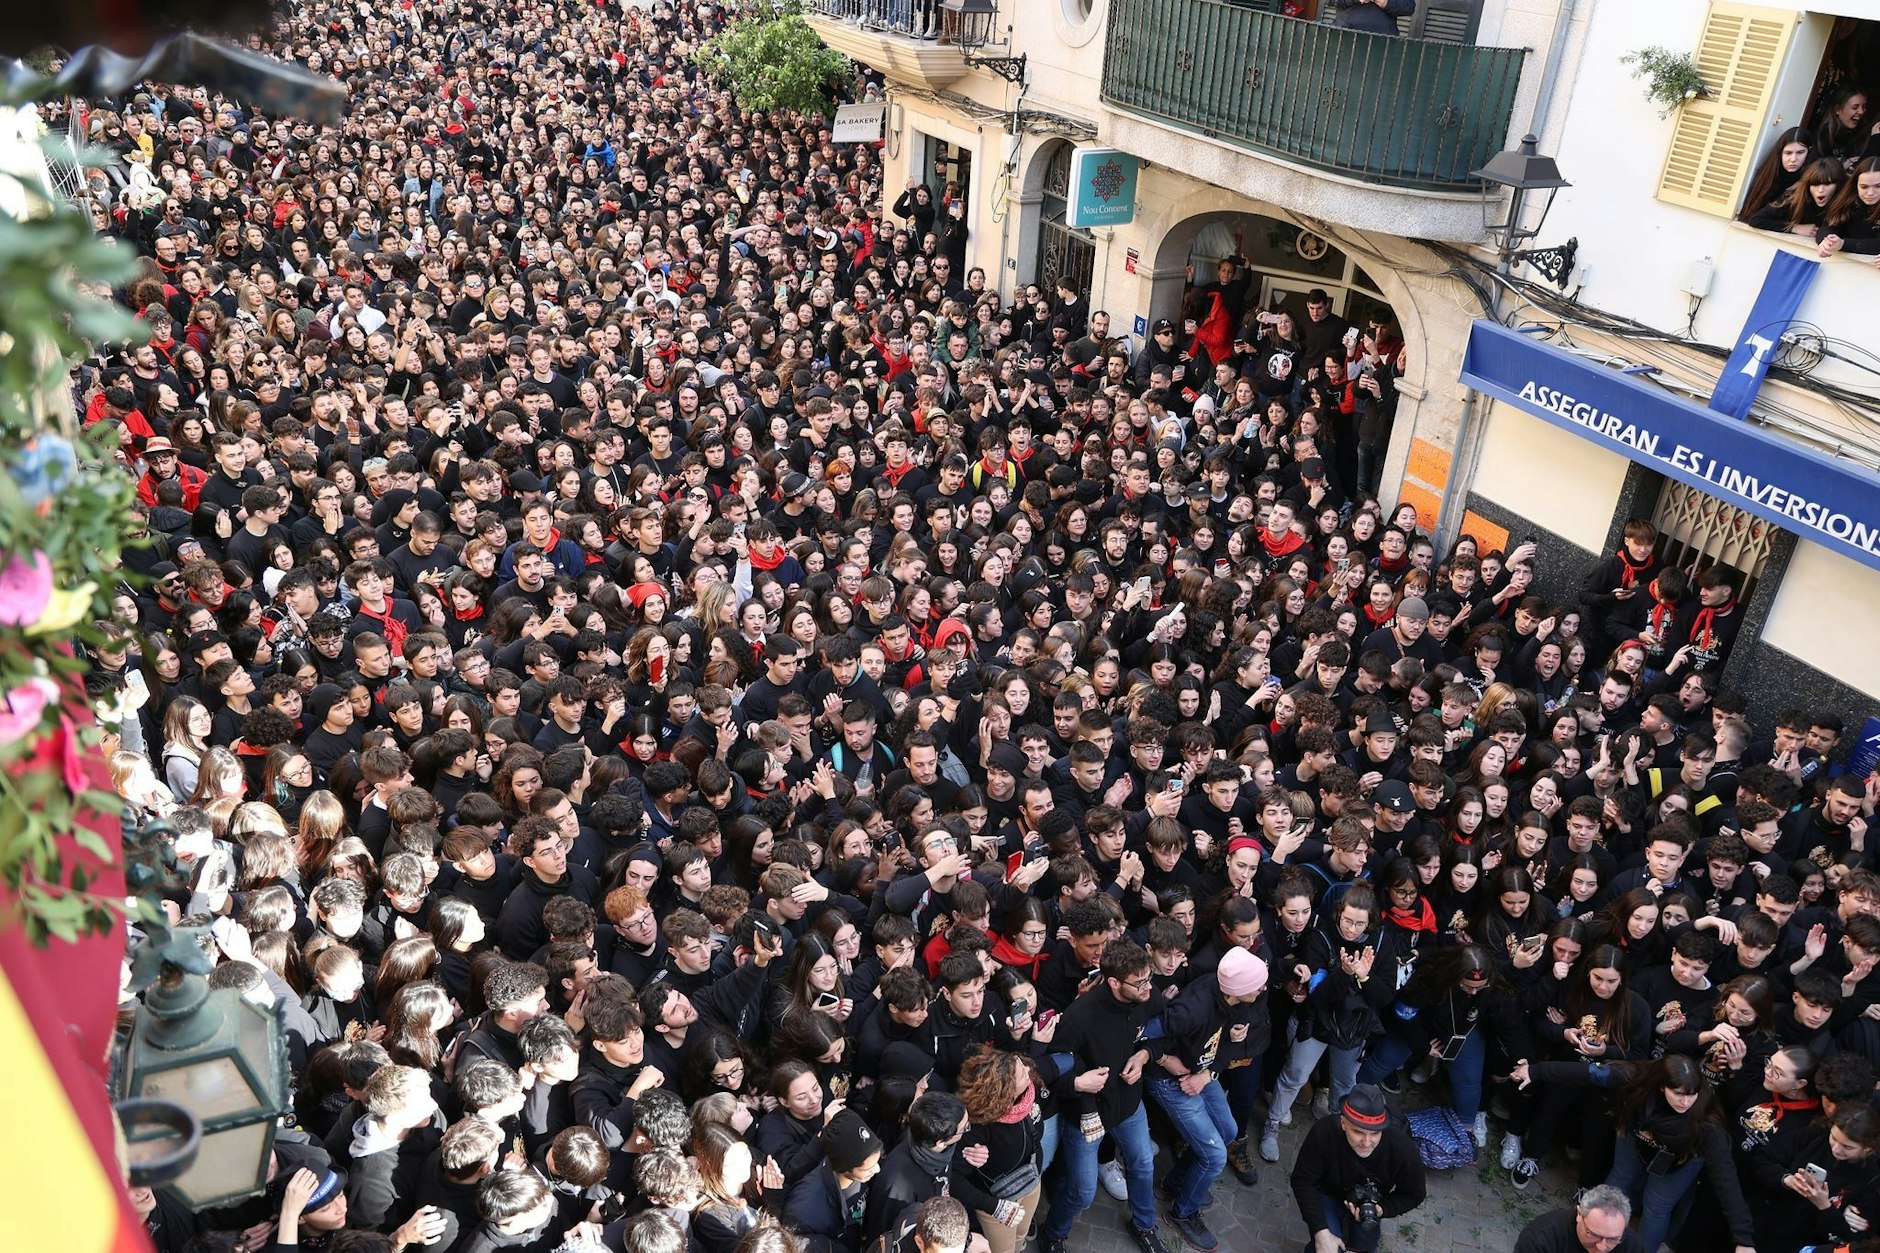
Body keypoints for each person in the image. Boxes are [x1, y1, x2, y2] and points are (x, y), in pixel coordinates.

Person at [1289, 1085, 1427, 1253]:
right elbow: (1303, 1180)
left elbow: (1414, 1193)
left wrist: (1382, 1208)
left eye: (1375, 1133)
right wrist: (1320, 1232)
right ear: (1343, 1123)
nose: (1367, 1143)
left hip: (1371, 1203)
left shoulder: (1401, 1148)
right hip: (1328, 1192)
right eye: (1358, 1132)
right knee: (1326, 1248)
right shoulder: (1324, 1132)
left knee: (1364, 1247)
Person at [1512, 1185, 1645, 1253]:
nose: (1601, 1247)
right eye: (1593, 1234)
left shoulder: (1633, 1246)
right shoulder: (1540, 1240)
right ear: (1579, 1214)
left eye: (1612, 1239)